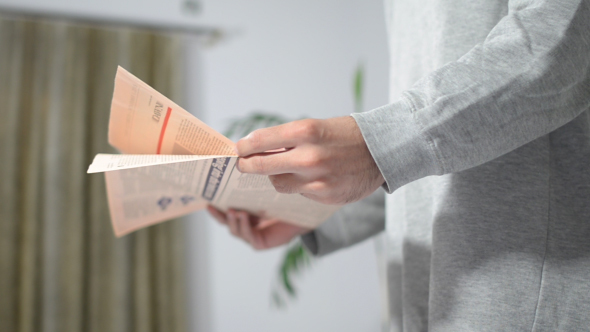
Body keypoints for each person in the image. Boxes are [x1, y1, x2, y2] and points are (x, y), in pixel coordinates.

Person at [208, 0, 590, 330]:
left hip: (527, 296)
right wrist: (314, 209)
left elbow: (558, 44)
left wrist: (380, 143)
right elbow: (430, 162)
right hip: (430, 294)